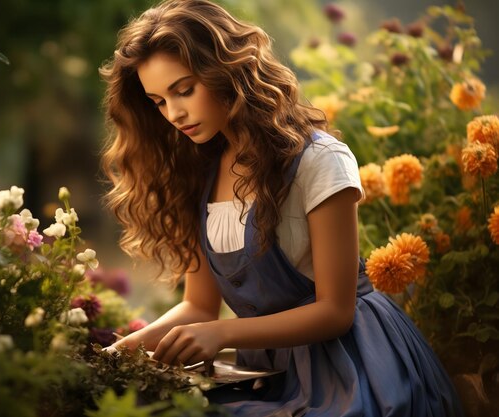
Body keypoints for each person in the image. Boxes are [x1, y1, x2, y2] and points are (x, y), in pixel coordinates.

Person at [99, 0, 463, 415]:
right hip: (268, 369)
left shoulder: (319, 160)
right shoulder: (199, 170)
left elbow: (335, 311)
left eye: (184, 90)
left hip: (354, 365)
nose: (175, 113)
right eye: (159, 101)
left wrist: (220, 333)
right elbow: (198, 306)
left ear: (227, 71)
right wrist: (119, 351)